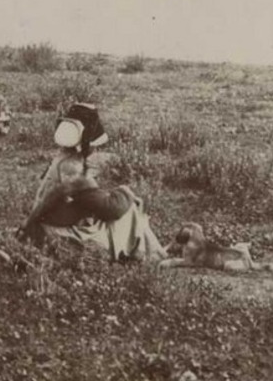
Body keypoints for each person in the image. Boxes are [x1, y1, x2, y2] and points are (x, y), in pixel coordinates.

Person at [20, 102, 166, 263]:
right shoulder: (74, 169)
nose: (95, 149)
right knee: (130, 211)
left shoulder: (61, 159)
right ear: (86, 142)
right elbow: (111, 209)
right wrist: (126, 191)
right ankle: (151, 257)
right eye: (94, 145)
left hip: (43, 227)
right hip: (59, 234)